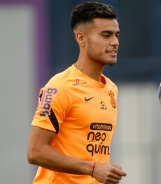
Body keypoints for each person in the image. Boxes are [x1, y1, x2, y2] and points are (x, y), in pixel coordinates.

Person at [27, 1, 127, 184]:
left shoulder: (111, 88)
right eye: (106, 35)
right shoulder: (60, 87)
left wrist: (103, 168)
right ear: (81, 38)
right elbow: (35, 151)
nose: (115, 42)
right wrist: (93, 168)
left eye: (116, 35)